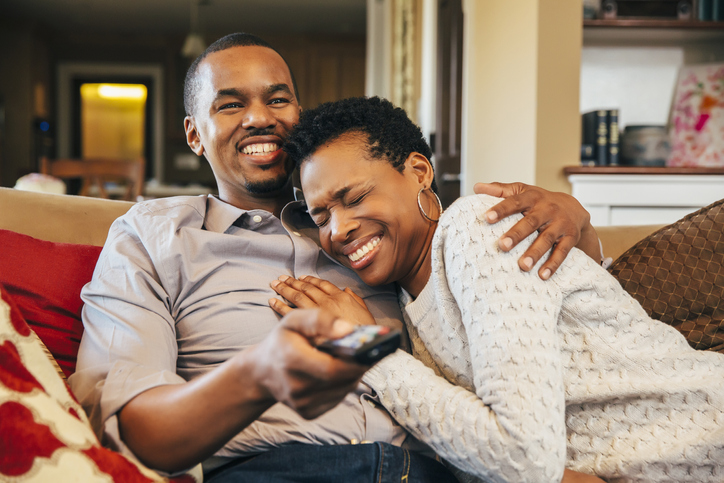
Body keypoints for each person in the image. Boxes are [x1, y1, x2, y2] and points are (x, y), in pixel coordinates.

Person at [68, 33, 603, 482]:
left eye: (278, 99)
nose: (260, 117)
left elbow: (540, 313)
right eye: (230, 104)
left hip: (432, 470)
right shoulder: (154, 235)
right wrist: (260, 372)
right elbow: (135, 430)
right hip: (270, 471)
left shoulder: (379, 229)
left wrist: (577, 221)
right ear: (194, 135)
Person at [272, 95, 724, 483]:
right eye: (321, 216)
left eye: (353, 198)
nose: (340, 229)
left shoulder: (477, 230)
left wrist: (369, 349)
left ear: (418, 172)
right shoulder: (404, 300)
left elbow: (521, 455)